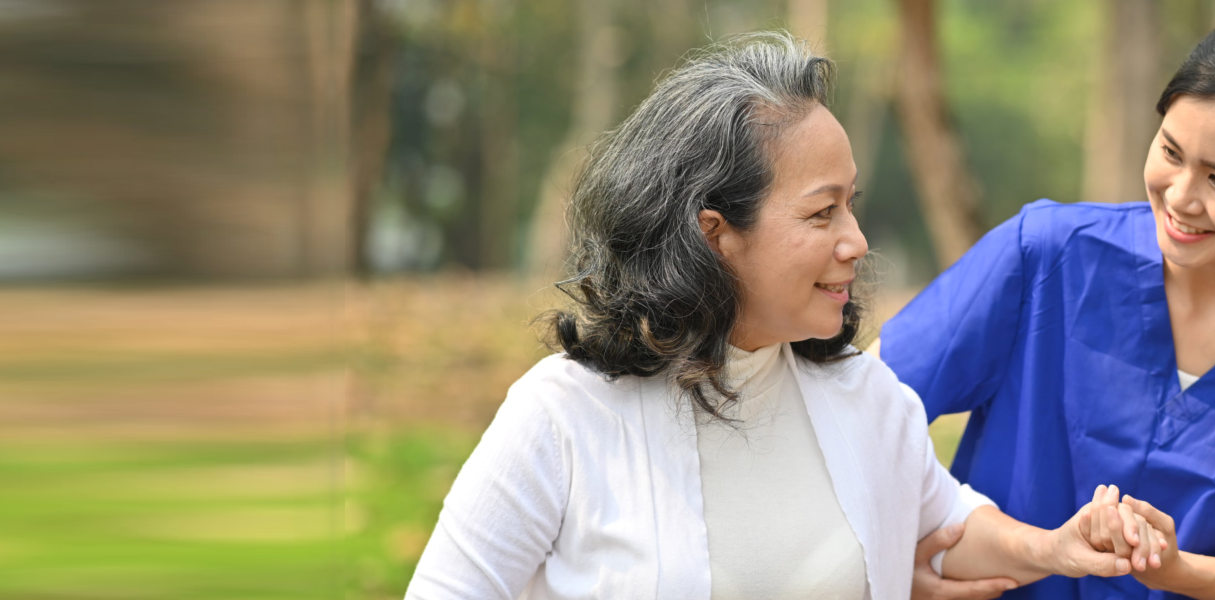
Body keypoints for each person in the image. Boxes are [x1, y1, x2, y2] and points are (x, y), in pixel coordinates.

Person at [403, 32, 1165, 600]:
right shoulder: (562, 416)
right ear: (715, 235)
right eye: (821, 213)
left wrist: (1057, 548)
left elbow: (950, 523)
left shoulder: (863, 397)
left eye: (852, 206)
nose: (855, 242)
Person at [882, 19, 1215, 600]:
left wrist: (1177, 571)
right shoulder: (1044, 256)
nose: (1181, 196)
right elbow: (857, 411)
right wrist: (895, 567)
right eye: (1170, 151)